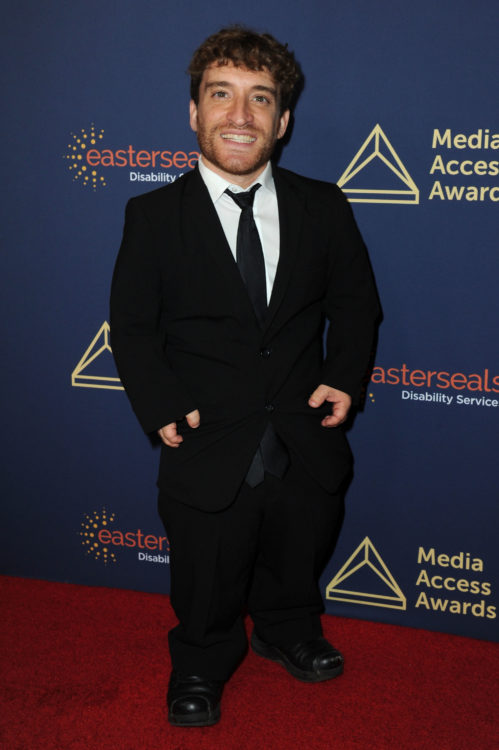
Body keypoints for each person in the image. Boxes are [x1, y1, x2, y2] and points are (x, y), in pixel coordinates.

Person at [110, 25, 379, 727]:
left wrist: (345, 378)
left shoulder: (325, 206)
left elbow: (355, 307)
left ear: (282, 120)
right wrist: (159, 402)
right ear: (193, 112)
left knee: (298, 547)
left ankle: (288, 630)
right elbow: (133, 327)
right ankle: (201, 658)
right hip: (206, 435)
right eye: (220, 95)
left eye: (260, 99)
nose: (239, 115)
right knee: (206, 570)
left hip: (302, 430)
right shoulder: (152, 215)